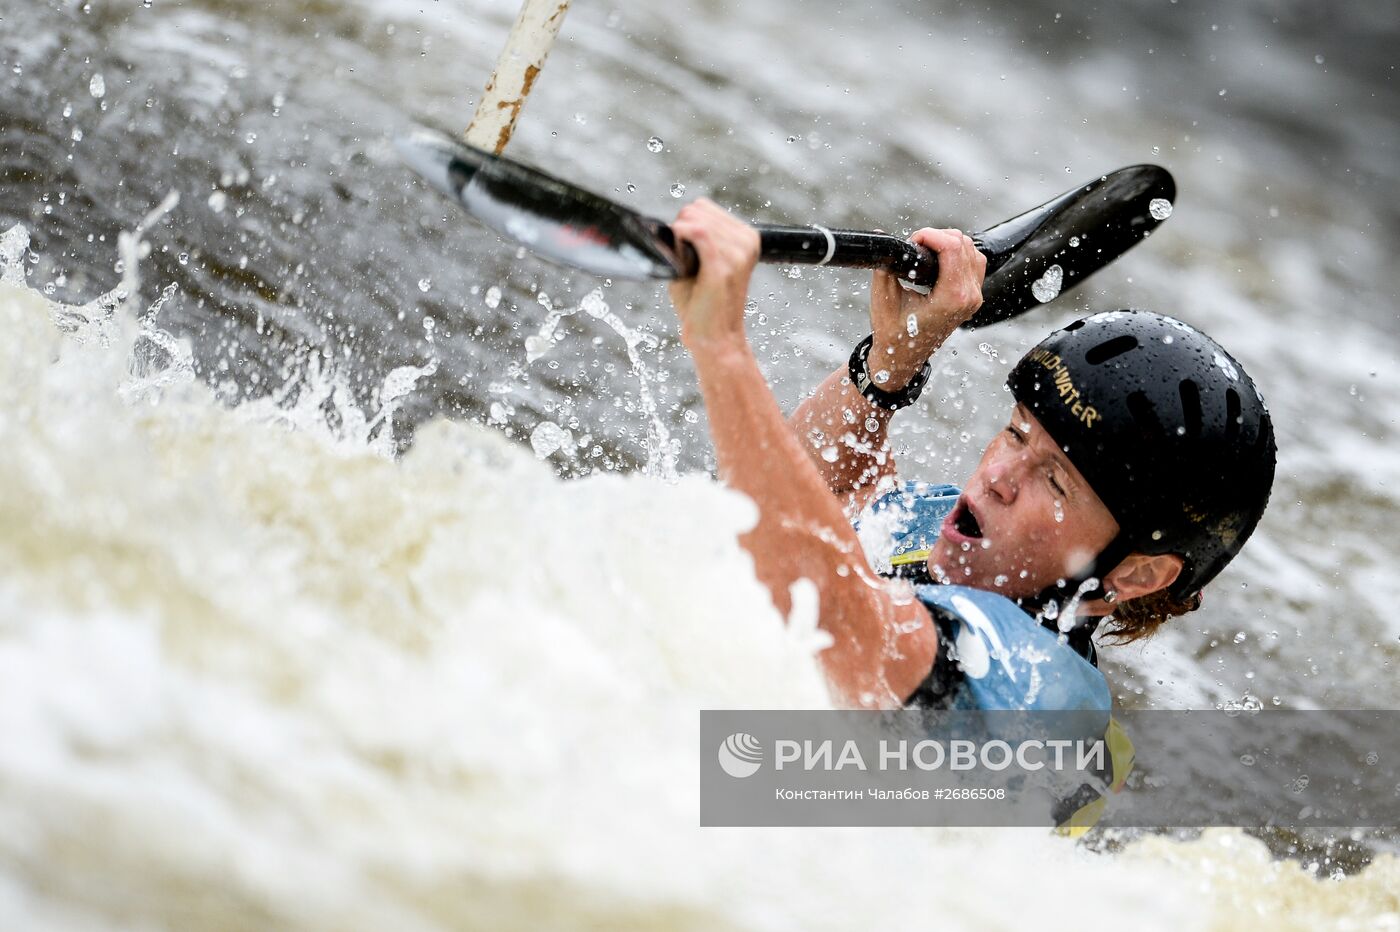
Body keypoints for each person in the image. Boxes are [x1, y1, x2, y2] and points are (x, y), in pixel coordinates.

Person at [667, 198, 1277, 716]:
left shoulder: (1040, 689)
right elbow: (824, 491)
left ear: (1138, 574)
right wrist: (894, 358)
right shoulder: (970, 543)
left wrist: (719, 344)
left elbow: (833, 611)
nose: (998, 478)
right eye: (1016, 434)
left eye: (1056, 481)